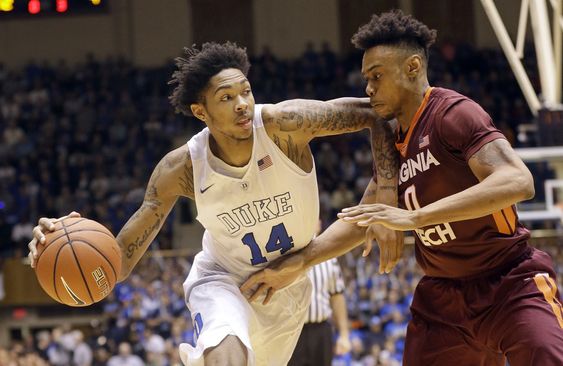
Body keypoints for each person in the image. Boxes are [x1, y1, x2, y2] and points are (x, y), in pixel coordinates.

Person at [27, 42, 399, 366]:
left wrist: (387, 195)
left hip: (287, 289)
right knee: (225, 350)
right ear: (200, 111)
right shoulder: (181, 168)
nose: (242, 105)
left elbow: (376, 114)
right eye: (226, 97)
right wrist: (55, 242)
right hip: (222, 279)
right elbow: (119, 263)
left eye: (246, 92)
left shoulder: (284, 125)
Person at [241, 10, 563, 366]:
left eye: (377, 76)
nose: (368, 88)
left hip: (507, 280)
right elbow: (363, 218)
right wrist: (300, 262)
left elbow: (518, 180)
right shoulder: (392, 141)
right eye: (366, 78)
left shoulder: (452, 113)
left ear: (412, 67)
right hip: (442, 296)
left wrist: (416, 218)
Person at [288, 256, 350, 366]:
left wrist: (344, 334)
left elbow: (337, 295)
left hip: (321, 330)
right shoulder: (285, 254)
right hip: (290, 331)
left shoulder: (330, 258)